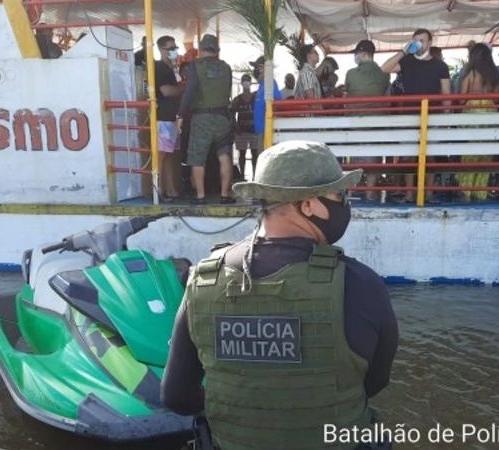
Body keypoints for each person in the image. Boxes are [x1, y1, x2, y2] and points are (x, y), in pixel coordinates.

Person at [161, 140, 398, 450]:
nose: (345, 203)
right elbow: (374, 383)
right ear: (308, 204)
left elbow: (177, 397)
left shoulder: (204, 280)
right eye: (339, 195)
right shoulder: (361, 285)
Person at [381, 28, 451, 203]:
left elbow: (446, 95)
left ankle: (428, 193)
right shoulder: (407, 61)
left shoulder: (440, 66)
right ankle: (410, 193)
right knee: (409, 155)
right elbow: (384, 68)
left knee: (431, 155)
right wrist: (404, 50)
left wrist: (446, 119)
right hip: (409, 116)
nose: (419, 43)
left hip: (433, 116)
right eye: (416, 40)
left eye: (422, 40)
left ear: (430, 43)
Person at [177, 34, 235, 204]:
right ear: (217, 50)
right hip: (223, 116)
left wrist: (180, 114)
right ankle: (225, 195)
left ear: (201, 50)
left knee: (197, 157)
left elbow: (190, 90)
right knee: (224, 156)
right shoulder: (226, 68)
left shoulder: (196, 66)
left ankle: (200, 196)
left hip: (202, 117)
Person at [454, 43, 499, 202]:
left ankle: (466, 191)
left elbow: (462, 97)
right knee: (485, 154)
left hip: (472, 113)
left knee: (470, 153)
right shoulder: (495, 74)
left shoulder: (471, 73)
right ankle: (480, 191)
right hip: (491, 114)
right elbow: (498, 98)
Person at [345, 40, 390, 202]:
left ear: (363, 54)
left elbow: (348, 93)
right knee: (374, 158)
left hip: (356, 122)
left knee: (357, 157)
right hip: (377, 122)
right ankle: (370, 192)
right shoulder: (384, 74)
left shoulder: (351, 74)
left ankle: (355, 190)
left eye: (356, 54)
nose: (355, 57)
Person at [154, 36, 184, 202]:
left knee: (170, 155)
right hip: (163, 118)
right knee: (162, 155)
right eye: (170, 48)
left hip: (172, 117)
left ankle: (170, 189)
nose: (173, 51)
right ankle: (158, 190)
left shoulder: (172, 69)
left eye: (175, 48)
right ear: (161, 50)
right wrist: (182, 88)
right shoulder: (160, 68)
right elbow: (167, 91)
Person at [251, 56, 283, 173]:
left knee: (265, 162)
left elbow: (278, 104)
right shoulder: (261, 85)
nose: (255, 70)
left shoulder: (270, 84)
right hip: (261, 130)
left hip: (267, 131)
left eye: (258, 67)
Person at [230, 74, 257, 179]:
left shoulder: (255, 98)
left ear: (251, 83)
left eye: (248, 80)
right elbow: (231, 113)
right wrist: (235, 126)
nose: (246, 82)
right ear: (241, 83)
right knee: (242, 154)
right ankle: (242, 176)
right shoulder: (237, 99)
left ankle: (255, 176)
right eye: (244, 81)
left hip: (254, 130)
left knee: (255, 154)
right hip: (241, 131)